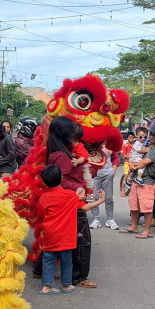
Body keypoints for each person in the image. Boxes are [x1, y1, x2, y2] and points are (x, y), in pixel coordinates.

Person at [37, 165, 106, 295]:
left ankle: (46, 287)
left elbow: (40, 216)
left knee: (48, 260)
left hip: (50, 236)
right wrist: (101, 200)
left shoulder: (43, 198)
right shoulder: (70, 196)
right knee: (67, 261)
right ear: (62, 178)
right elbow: (85, 207)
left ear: (44, 182)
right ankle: (66, 285)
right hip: (66, 237)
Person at [44, 116, 95, 287]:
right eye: (71, 129)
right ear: (64, 132)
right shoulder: (61, 156)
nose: (74, 132)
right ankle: (79, 277)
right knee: (82, 240)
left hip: (70, 201)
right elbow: (63, 181)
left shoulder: (59, 152)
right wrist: (77, 192)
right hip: (73, 202)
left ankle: (69, 275)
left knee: (72, 240)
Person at [121, 122, 155, 239]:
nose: (151, 137)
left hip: (149, 181)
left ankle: (147, 231)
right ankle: (134, 226)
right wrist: (132, 164)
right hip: (138, 179)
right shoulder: (147, 146)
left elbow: (146, 162)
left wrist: (133, 166)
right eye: (151, 134)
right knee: (134, 204)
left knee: (147, 207)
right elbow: (134, 156)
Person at [89, 143, 119, 230]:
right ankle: (95, 219)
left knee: (109, 197)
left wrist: (113, 171)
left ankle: (110, 219)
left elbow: (115, 157)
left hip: (107, 174)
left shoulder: (110, 145)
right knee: (92, 198)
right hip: (93, 175)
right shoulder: (90, 144)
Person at [71, 124, 93, 200]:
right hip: (77, 169)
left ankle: (90, 198)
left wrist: (77, 161)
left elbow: (83, 158)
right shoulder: (70, 145)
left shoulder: (79, 145)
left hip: (84, 168)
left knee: (89, 183)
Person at [120, 133, 135, 197]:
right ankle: (123, 191)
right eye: (130, 138)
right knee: (126, 175)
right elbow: (124, 155)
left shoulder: (135, 145)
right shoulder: (125, 146)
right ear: (127, 138)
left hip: (134, 163)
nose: (131, 139)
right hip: (127, 163)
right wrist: (130, 157)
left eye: (132, 138)